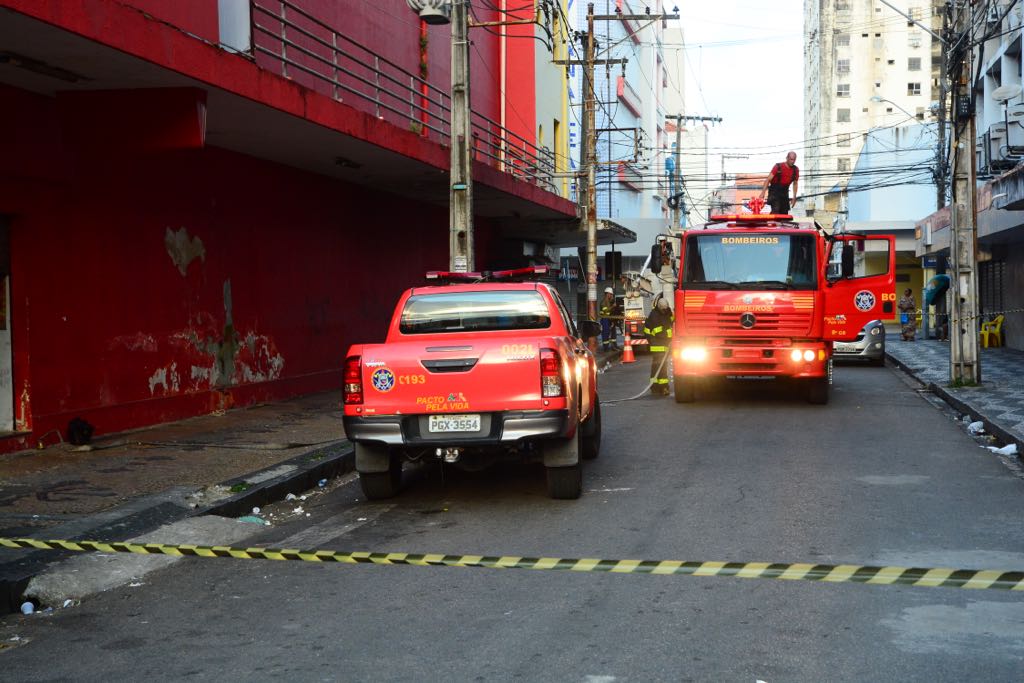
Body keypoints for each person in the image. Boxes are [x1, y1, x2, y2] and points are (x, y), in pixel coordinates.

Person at [644, 295, 674, 395]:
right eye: (663, 309)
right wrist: (671, 336)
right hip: (657, 344)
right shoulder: (654, 316)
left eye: (666, 308)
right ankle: (663, 387)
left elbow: (671, 320)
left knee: (656, 366)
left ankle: (655, 387)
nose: (665, 311)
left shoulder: (666, 312)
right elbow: (658, 332)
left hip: (662, 343)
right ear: (660, 307)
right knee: (661, 366)